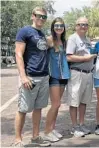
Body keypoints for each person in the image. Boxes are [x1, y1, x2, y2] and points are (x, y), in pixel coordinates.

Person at [13, 7, 51, 147]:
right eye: (39, 16)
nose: (41, 19)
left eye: (44, 17)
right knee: (23, 109)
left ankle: (35, 137)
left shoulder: (42, 34)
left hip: (43, 77)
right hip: (30, 77)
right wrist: (23, 76)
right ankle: (18, 139)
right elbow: (18, 54)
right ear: (32, 16)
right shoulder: (25, 31)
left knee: (38, 108)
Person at [66, 17, 97, 137]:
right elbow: (68, 57)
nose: (83, 27)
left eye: (85, 25)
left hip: (88, 73)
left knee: (84, 101)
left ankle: (81, 124)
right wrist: (86, 58)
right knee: (74, 101)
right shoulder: (73, 38)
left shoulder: (87, 39)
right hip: (76, 73)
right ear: (76, 26)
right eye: (81, 24)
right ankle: (74, 127)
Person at [44, 17, 70, 142]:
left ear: (64, 28)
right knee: (55, 104)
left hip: (64, 75)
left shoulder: (65, 42)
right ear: (53, 27)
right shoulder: (49, 40)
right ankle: (46, 131)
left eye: (61, 25)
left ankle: (52, 129)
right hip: (53, 75)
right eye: (56, 25)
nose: (59, 28)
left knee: (57, 105)